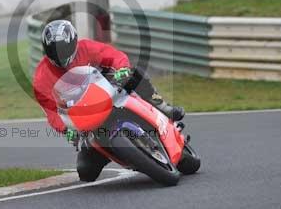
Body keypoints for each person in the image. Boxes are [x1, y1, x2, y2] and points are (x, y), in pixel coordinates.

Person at [33, 19, 184, 182]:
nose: (60, 55)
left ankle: (161, 106)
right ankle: (112, 152)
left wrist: (122, 69)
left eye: (63, 49)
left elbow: (114, 56)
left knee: (134, 73)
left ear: (74, 42)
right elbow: (50, 111)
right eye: (54, 51)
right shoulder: (41, 78)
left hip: (110, 91)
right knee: (86, 172)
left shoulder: (86, 47)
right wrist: (66, 130)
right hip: (85, 120)